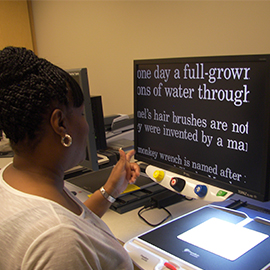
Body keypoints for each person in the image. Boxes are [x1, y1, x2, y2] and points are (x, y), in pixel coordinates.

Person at [0, 46, 140, 269]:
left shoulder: (13, 178)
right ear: (60, 124)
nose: (86, 125)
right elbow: (65, 234)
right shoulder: (60, 241)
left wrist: (110, 191)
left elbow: (77, 224)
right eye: (82, 114)